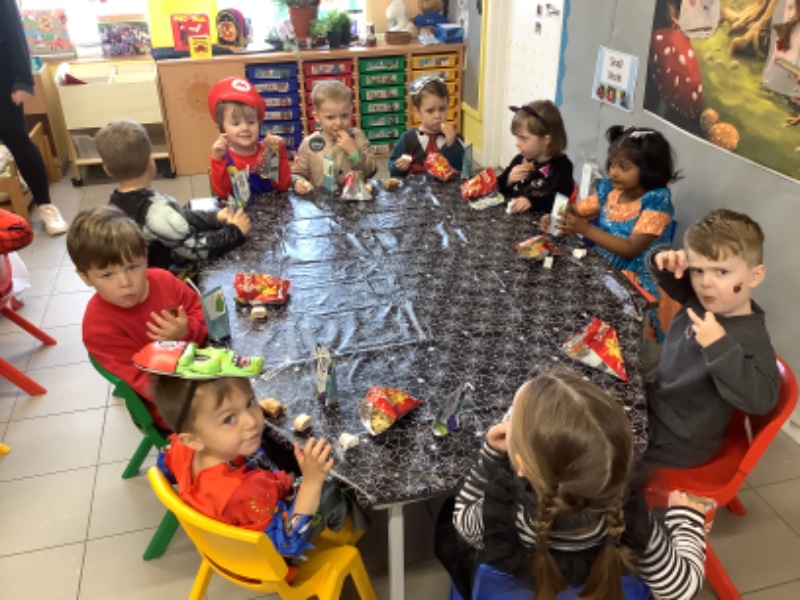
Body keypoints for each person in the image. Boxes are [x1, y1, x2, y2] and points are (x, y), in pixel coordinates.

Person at [436, 371, 708, 600]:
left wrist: (490, 455)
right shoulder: (633, 525)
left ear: (521, 465)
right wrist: (687, 522)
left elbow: (462, 521)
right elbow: (681, 590)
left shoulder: (498, 515)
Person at [152, 368, 359, 561]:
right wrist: (311, 483)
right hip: (268, 559)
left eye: (250, 402)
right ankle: (351, 519)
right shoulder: (244, 492)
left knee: (264, 443)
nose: (251, 421)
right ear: (193, 440)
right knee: (330, 486)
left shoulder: (181, 446)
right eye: (229, 419)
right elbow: (288, 543)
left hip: (234, 529)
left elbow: (164, 466)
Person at [643, 209, 780, 469]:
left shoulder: (751, 336)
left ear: (754, 276)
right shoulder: (702, 299)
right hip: (656, 407)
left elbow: (762, 401)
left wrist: (719, 346)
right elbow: (666, 273)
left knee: (592, 446)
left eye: (721, 272)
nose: (705, 283)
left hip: (678, 441)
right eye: (698, 270)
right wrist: (663, 257)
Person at [67, 206, 208, 431]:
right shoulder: (98, 328)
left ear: (145, 256)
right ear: (85, 277)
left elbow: (203, 314)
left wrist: (187, 331)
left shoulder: (164, 280)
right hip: (172, 401)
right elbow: (148, 383)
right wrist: (174, 349)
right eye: (107, 275)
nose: (125, 282)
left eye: (132, 267)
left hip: (205, 366)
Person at [541, 125, 678, 338]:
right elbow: (577, 209)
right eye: (612, 164)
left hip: (636, 282)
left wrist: (585, 228)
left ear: (650, 169)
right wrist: (558, 216)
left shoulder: (656, 203)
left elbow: (631, 248)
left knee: (620, 336)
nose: (613, 172)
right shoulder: (611, 191)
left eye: (624, 167)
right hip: (604, 270)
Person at [95, 119, 250, 278]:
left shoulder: (113, 206)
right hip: (169, 281)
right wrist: (235, 231)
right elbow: (196, 248)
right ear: (151, 161)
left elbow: (178, 216)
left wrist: (214, 218)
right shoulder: (156, 210)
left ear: (107, 170)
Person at [0, 0, 68, 236]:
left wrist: (23, 80)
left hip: (2, 76)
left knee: (17, 140)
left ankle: (46, 207)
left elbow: (14, 31)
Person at [208, 76, 292, 200]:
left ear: (259, 124)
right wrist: (217, 160)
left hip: (270, 209)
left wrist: (279, 152)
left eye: (251, 122)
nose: (245, 127)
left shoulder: (267, 152)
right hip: (239, 211)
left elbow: (283, 186)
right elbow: (222, 194)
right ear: (222, 128)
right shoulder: (223, 158)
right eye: (236, 123)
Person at [291, 81, 377, 193]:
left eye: (344, 115)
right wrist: (297, 182)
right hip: (323, 201)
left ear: (351, 112)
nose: (339, 123)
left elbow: (371, 171)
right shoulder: (309, 143)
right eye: (330, 117)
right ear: (317, 117)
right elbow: (296, 174)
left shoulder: (358, 137)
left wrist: (354, 152)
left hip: (355, 199)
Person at [497, 100, 574, 214]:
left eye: (523, 138)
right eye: (517, 137)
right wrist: (508, 179)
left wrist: (532, 202)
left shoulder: (562, 167)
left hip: (541, 222)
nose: (517, 144)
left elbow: (559, 202)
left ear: (546, 140)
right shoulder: (520, 160)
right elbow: (497, 187)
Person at [389, 74, 464, 177]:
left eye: (442, 109)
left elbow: (460, 168)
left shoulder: (452, 138)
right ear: (417, 112)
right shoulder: (408, 139)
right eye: (430, 111)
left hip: (444, 186)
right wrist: (398, 166)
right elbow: (392, 167)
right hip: (414, 186)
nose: (437, 116)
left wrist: (452, 144)